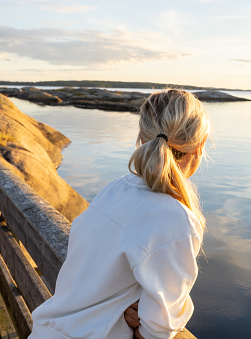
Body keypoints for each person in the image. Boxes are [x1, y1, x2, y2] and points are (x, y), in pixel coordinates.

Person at [29, 89, 209, 339]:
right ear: (199, 147)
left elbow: (103, 264)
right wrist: (141, 313)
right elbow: (158, 328)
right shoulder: (176, 219)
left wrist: (130, 301)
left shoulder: (116, 189)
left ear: (142, 138)